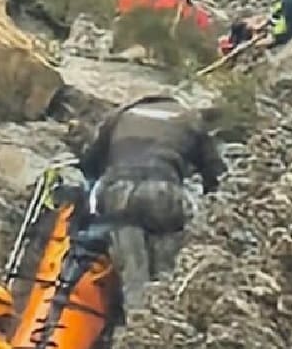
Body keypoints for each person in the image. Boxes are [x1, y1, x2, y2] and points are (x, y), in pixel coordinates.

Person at [77, 95, 227, 310]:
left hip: (119, 195)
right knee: (166, 278)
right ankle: (163, 318)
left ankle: (133, 322)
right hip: (163, 192)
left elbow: (90, 165)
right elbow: (216, 175)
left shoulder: (120, 115)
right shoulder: (190, 119)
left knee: (134, 279)